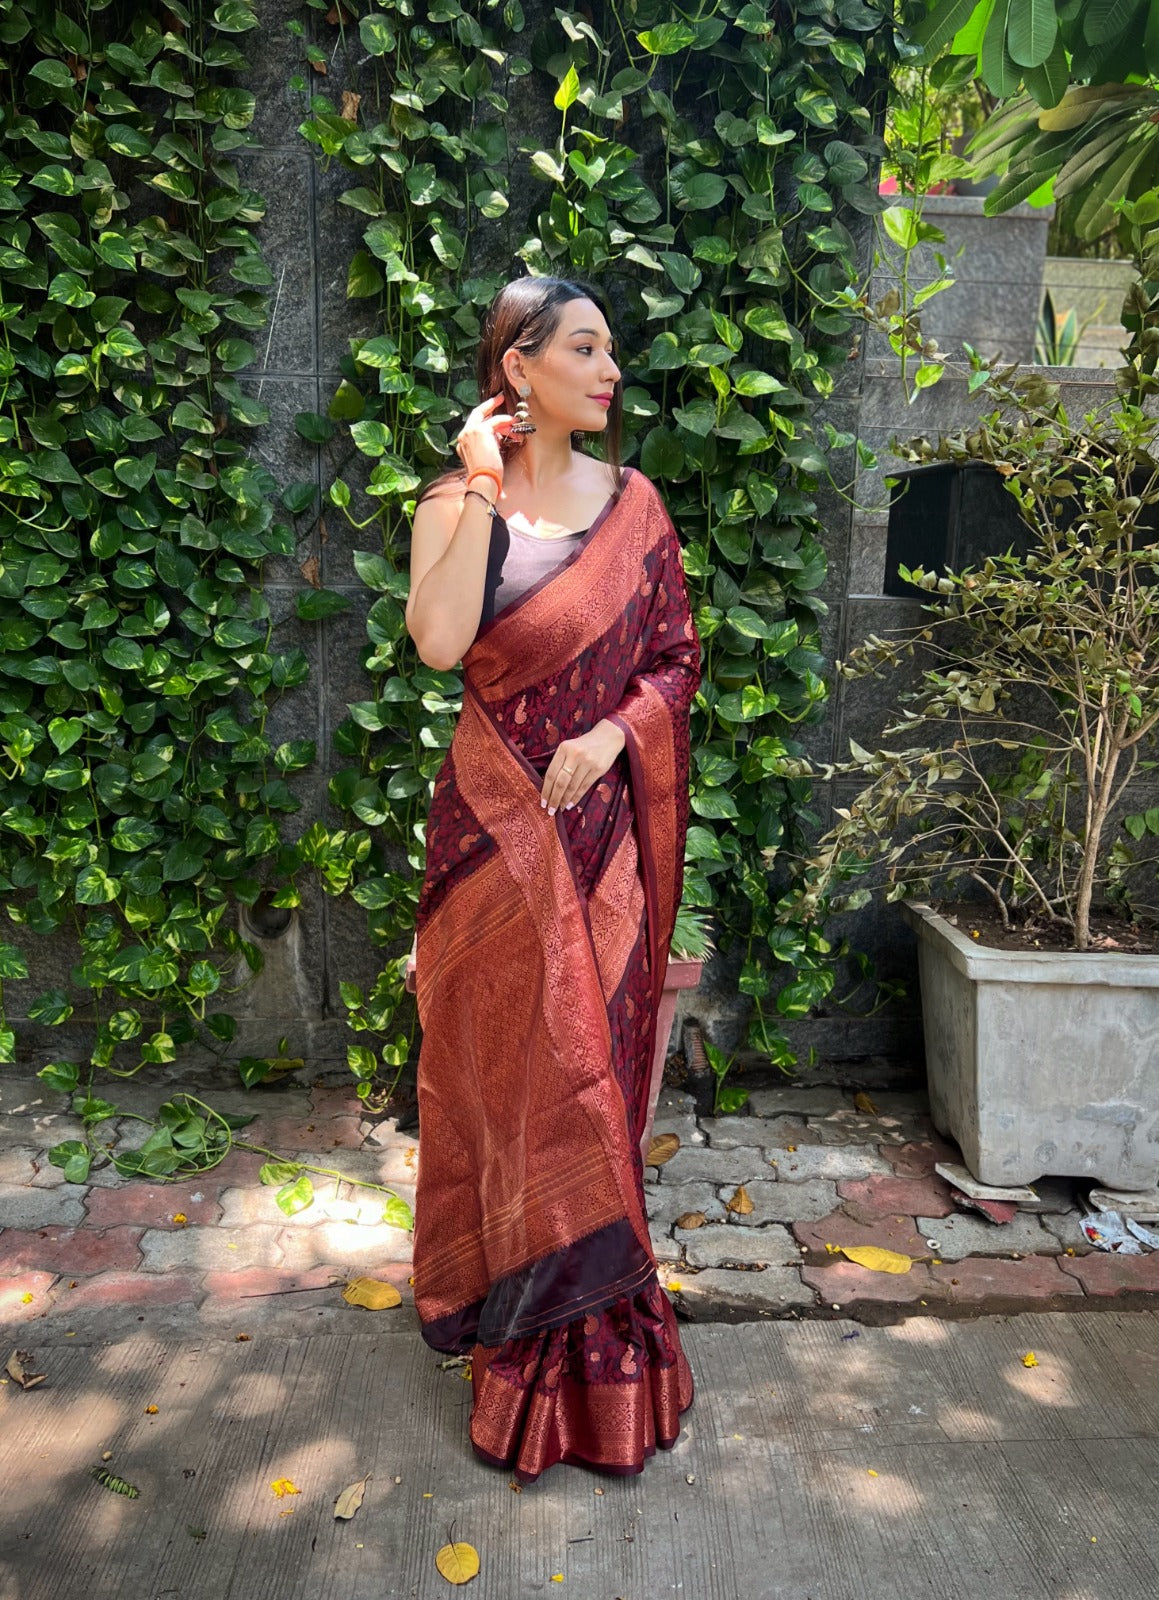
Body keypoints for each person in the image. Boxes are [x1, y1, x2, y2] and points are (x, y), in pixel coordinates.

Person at [404, 274, 701, 1484]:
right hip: (488, 855)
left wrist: (617, 731)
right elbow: (436, 641)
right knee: (504, 1086)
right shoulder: (452, 502)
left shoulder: (637, 509)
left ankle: (597, 1348)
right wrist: (478, 480)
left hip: (599, 857)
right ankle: (511, 1327)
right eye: (584, 347)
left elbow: (678, 658)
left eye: (612, 348)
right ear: (517, 366)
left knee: (584, 1086)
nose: (610, 368)